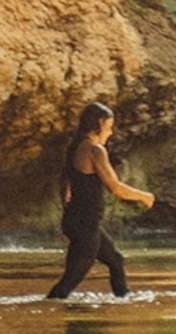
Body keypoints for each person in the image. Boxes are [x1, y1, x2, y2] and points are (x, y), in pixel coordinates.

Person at [47, 101, 155, 299]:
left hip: (79, 220)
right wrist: (144, 196)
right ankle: (46, 312)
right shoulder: (95, 150)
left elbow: (64, 184)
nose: (111, 133)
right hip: (85, 223)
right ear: (99, 123)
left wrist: (68, 221)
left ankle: (123, 300)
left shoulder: (75, 147)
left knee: (115, 260)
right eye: (109, 127)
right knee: (71, 279)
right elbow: (115, 188)